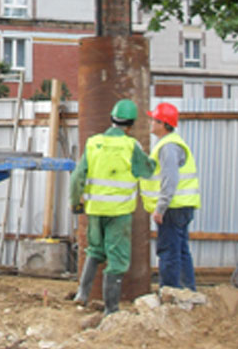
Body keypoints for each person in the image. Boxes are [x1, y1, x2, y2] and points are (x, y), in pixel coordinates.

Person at [69, 99, 155, 315]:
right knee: (117, 260)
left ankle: (82, 294)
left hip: (95, 210)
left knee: (95, 251)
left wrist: (75, 202)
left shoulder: (93, 143)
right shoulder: (130, 146)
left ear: (112, 119)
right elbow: (147, 170)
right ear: (131, 124)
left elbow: (77, 176)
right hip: (118, 213)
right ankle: (111, 309)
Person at [140, 102, 200, 291]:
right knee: (180, 250)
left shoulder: (168, 147)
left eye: (154, 119)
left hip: (172, 208)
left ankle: (170, 293)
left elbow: (169, 179)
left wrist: (160, 208)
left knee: (168, 251)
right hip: (180, 206)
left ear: (164, 123)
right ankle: (186, 291)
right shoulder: (170, 144)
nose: (151, 122)